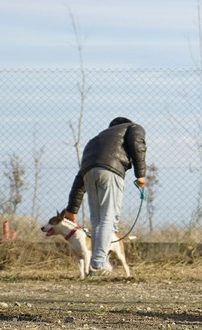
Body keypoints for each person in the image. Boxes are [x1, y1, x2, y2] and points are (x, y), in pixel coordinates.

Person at [63, 117, 147, 276]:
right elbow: (137, 143)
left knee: (97, 221)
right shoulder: (133, 127)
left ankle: (97, 264)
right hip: (111, 171)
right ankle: (99, 265)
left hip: (89, 174)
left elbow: (80, 177)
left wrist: (72, 209)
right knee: (109, 219)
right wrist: (140, 174)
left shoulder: (95, 141)